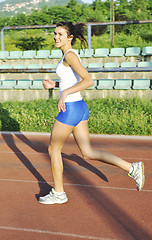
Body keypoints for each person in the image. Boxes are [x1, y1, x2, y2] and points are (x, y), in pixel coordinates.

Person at [39, 21, 145, 205]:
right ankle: (132, 167)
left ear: (70, 37)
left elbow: (88, 80)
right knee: (87, 152)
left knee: (53, 149)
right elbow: (73, 80)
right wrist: (56, 85)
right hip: (80, 107)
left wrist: (64, 93)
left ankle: (58, 193)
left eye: (60, 34)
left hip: (71, 109)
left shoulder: (69, 55)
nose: (56, 37)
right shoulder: (68, 55)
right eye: (55, 34)